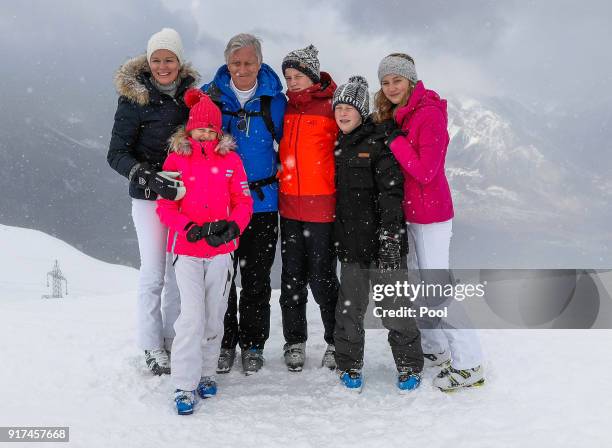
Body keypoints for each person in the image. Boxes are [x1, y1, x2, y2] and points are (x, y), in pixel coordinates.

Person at [375, 53, 485, 391]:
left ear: (411, 80)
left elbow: (425, 171)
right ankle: (435, 348)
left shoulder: (429, 116)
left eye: (397, 80)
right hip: (411, 214)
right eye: (386, 81)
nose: (392, 87)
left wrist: (394, 141)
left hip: (432, 215)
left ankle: (469, 364)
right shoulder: (401, 114)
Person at [107, 28, 200, 375]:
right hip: (148, 198)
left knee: (179, 273)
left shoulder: (190, 97)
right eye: (157, 60)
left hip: (181, 197)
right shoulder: (135, 98)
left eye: (169, 60)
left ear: (179, 62)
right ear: (148, 61)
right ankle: (150, 345)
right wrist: (148, 177)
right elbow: (116, 154)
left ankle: (174, 338)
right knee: (153, 273)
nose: (163, 66)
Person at [157, 89, 253, 415]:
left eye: (211, 129)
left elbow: (243, 202)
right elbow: (165, 207)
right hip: (186, 248)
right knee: (191, 316)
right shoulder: (175, 160)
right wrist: (188, 228)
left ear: (218, 131)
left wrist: (233, 227)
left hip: (221, 250)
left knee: (214, 313)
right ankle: (184, 385)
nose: (206, 134)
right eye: (200, 128)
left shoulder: (231, 160)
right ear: (190, 128)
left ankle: (207, 373)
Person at [332, 75, 423, 392]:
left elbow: (391, 195)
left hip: (384, 248)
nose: (342, 114)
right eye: (338, 108)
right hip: (353, 248)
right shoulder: (338, 146)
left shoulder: (379, 144)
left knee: (394, 310)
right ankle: (349, 364)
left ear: (361, 112)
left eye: (349, 109)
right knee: (349, 312)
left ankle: (410, 365)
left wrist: (390, 239)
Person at [202, 33, 287, 375]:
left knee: (256, 279)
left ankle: (253, 344)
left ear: (259, 63)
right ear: (227, 63)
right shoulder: (211, 98)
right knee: (222, 279)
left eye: (249, 62)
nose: (242, 69)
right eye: (236, 63)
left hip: (262, 205)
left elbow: (291, 145)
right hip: (220, 204)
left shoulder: (274, 102)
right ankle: (224, 343)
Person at [277, 44, 339, 372]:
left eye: (298, 75)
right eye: (288, 77)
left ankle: (335, 340)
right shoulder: (284, 109)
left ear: (312, 76)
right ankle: (295, 341)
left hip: (322, 211)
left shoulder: (331, 107)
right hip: (288, 208)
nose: (293, 82)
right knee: (291, 278)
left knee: (323, 278)